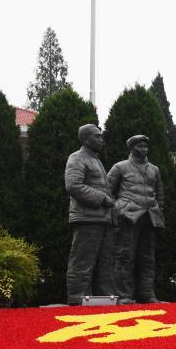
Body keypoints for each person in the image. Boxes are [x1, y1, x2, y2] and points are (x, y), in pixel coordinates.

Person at [107, 135, 165, 304]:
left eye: (145, 146)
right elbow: (108, 191)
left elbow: (160, 194)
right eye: (140, 146)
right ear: (131, 148)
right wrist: (119, 208)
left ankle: (147, 294)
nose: (144, 149)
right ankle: (124, 295)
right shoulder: (120, 167)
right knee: (125, 256)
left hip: (150, 218)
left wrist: (159, 211)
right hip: (128, 218)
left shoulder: (154, 169)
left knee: (148, 257)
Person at [64, 123, 117, 305]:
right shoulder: (77, 158)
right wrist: (102, 198)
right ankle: (77, 299)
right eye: (97, 136)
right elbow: (73, 186)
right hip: (87, 218)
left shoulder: (95, 159)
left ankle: (107, 300)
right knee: (82, 260)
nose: (101, 139)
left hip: (102, 219)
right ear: (86, 139)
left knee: (105, 263)